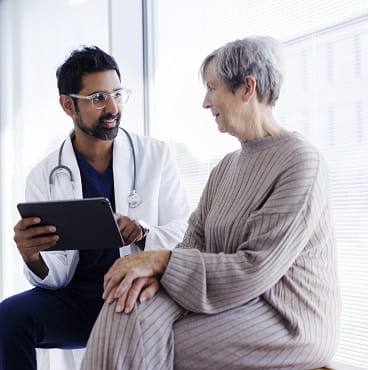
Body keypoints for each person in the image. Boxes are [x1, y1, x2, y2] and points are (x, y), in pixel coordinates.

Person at [80, 36, 341, 370]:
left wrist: (160, 262)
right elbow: (194, 243)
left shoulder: (301, 163)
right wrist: (154, 273)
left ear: (247, 88)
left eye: (212, 87)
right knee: (124, 305)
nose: (205, 102)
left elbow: (254, 268)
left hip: (286, 318)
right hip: (227, 301)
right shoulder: (226, 168)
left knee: (150, 341)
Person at [0, 46, 190, 370]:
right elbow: (55, 277)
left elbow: (185, 234)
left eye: (118, 94)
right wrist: (32, 257)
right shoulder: (44, 175)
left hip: (138, 291)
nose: (113, 107)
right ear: (67, 104)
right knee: (9, 317)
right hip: (78, 301)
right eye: (98, 98)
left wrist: (144, 233)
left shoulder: (156, 156)